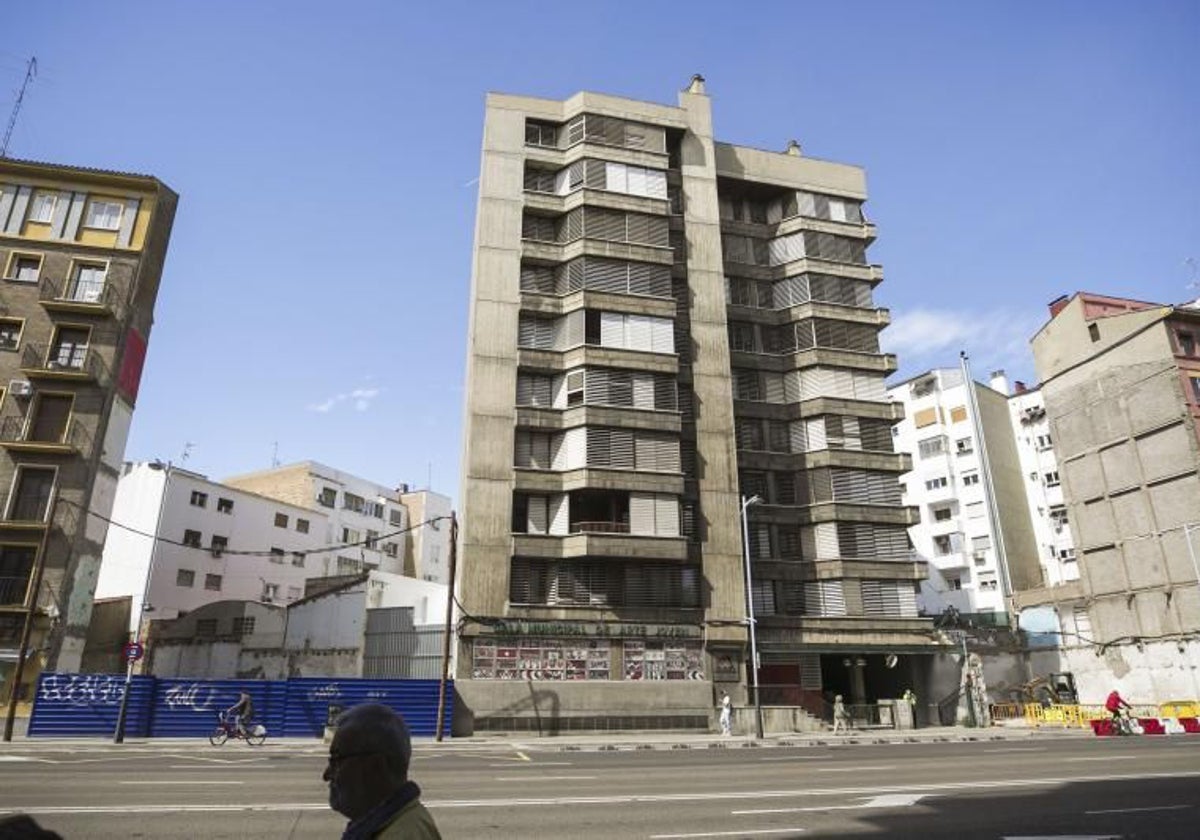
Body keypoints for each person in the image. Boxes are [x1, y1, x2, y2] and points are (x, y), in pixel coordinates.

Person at [324, 703, 442, 840]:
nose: (326, 775)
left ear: (375, 767)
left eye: (337, 760)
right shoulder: (397, 822)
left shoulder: (401, 834)